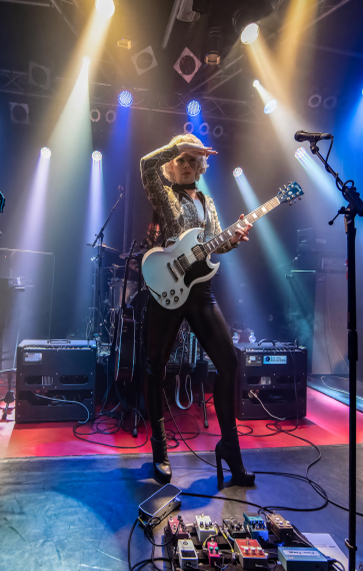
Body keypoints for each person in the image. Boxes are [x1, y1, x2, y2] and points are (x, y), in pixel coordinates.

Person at [140, 133, 254, 488]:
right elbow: (145, 165)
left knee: (229, 363)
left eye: (193, 160)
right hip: (168, 288)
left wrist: (232, 240)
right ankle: (159, 447)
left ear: (201, 166)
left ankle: (230, 448)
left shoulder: (208, 201)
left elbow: (214, 244)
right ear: (172, 166)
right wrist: (178, 146)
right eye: (181, 160)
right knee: (155, 366)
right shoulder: (164, 193)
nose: (187, 165)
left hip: (200, 290)